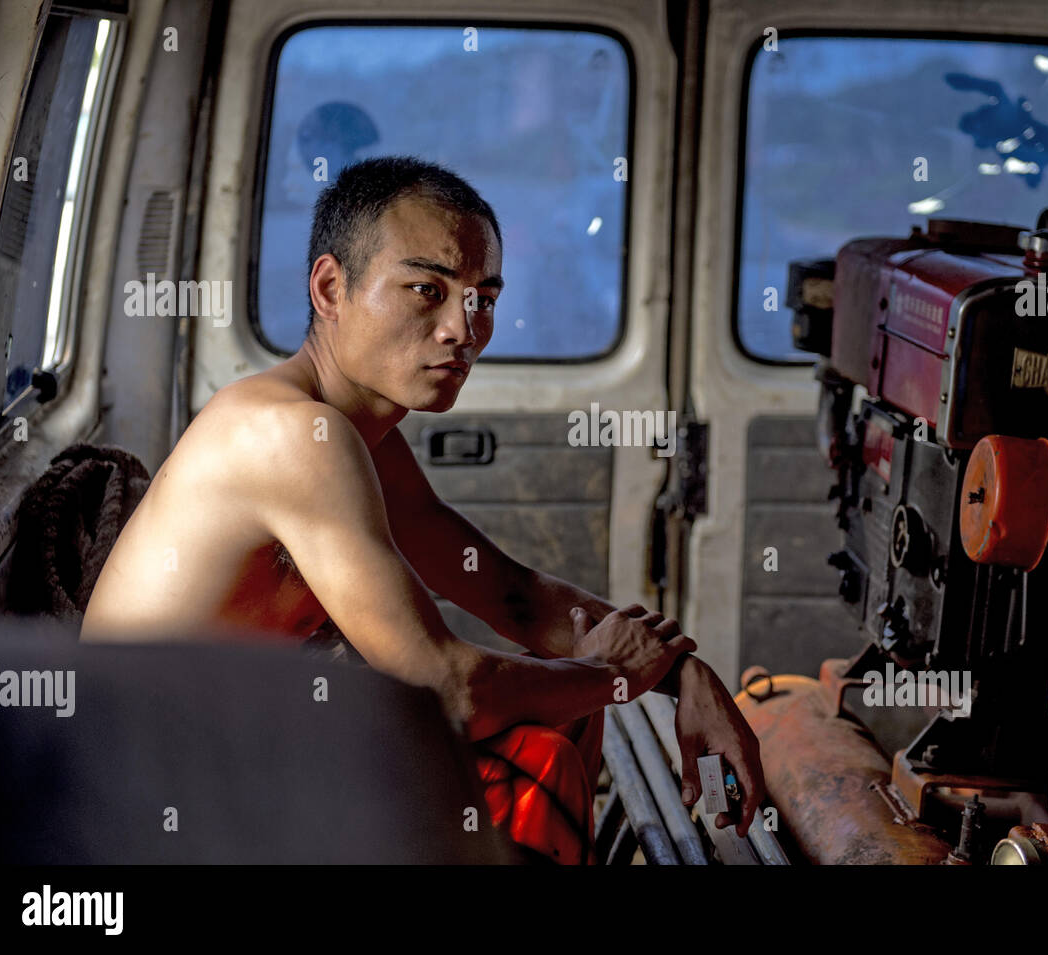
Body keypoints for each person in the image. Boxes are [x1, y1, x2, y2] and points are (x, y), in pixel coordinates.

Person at [81, 155, 764, 864]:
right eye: (425, 290)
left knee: (561, 714)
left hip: (228, 771)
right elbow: (448, 688)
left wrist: (682, 672)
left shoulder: (355, 437)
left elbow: (513, 594)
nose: (460, 329)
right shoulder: (290, 435)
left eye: (483, 299)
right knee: (535, 752)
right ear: (329, 288)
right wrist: (617, 675)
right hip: (137, 815)